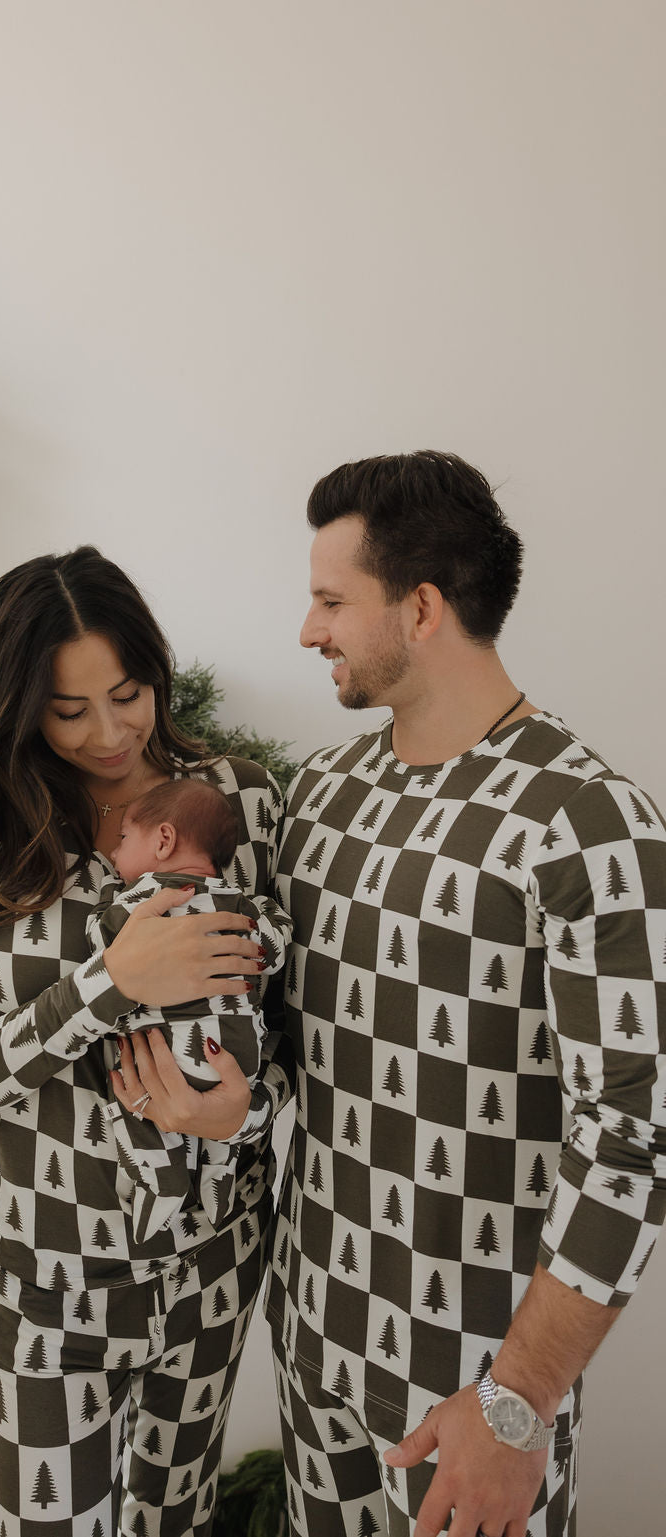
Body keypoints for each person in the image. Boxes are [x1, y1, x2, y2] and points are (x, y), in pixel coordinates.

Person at [266, 452, 666, 1537]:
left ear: (422, 607)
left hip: (474, 1395)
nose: (307, 630)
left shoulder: (588, 824)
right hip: (312, 1348)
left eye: (332, 601)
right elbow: (291, 1051)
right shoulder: (320, 795)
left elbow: (630, 1141)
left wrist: (516, 1403)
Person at [0, 545, 284, 1537]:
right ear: (19, 704)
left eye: (128, 695)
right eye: (69, 710)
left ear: (156, 674)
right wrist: (108, 985)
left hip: (208, 1271)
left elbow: (296, 1037)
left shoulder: (238, 802)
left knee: (175, 1522)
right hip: (44, 1291)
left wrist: (245, 1111)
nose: (108, 733)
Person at [87, 777, 291, 1243]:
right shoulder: (237, 904)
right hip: (233, 1051)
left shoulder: (140, 898)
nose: (115, 854)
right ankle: (219, 1176)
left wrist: (106, 899)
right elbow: (273, 953)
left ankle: (160, 1185)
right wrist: (269, 914)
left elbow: (102, 944)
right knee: (222, 1124)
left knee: (135, 1107)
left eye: (124, 839)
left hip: (160, 1050)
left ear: (163, 840)